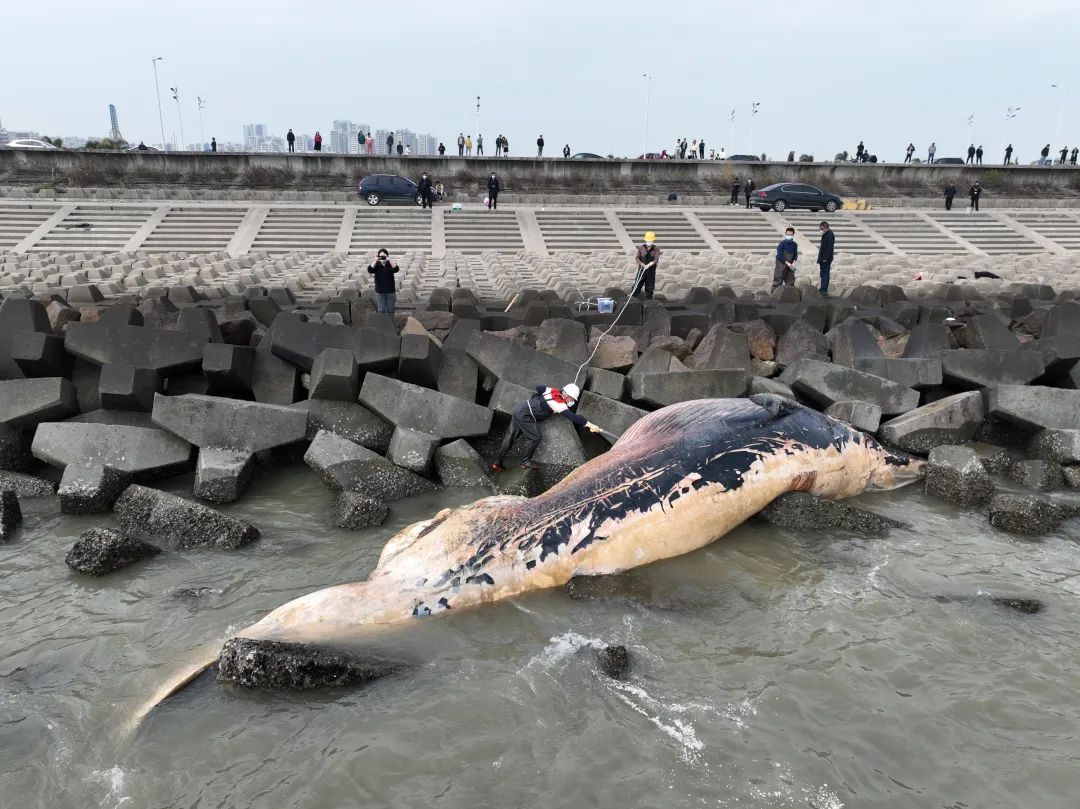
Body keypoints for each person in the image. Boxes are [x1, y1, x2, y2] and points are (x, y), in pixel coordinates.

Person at [490, 383, 602, 472]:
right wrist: (589, 424)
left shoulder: (552, 391)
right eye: (572, 399)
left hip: (520, 409)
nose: (572, 401)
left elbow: (539, 387)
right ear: (567, 395)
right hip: (526, 416)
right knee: (535, 437)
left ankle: (497, 463)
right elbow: (572, 417)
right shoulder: (558, 404)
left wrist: (544, 396)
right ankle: (525, 461)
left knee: (509, 439)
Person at [367, 249, 399, 315]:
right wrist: (376, 260)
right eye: (380, 256)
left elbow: (396, 269)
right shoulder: (376, 265)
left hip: (390, 292)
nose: (382, 258)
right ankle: (382, 324)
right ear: (378, 256)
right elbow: (370, 270)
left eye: (384, 256)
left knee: (391, 311)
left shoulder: (390, 264)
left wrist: (389, 260)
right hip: (380, 293)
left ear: (387, 256)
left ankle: (391, 324)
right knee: (381, 310)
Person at [633, 232, 661, 300]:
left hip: (650, 272)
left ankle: (649, 303)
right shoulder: (641, 248)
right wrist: (641, 264)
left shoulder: (656, 249)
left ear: (653, 240)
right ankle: (632, 300)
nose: (649, 242)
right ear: (645, 240)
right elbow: (637, 258)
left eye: (650, 240)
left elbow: (656, 259)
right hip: (641, 270)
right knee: (637, 286)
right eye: (648, 240)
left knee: (649, 288)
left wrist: (649, 264)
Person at [816, 221, 834, 296]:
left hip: (825, 259)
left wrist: (825, 258)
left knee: (825, 274)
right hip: (823, 258)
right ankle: (823, 289)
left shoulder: (829, 235)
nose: (820, 230)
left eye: (821, 229)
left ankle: (823, 290)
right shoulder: (826, 234)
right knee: (823, 273)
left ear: (826, 228)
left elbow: (829, 248)